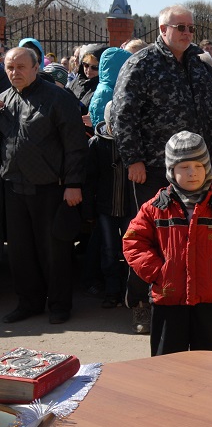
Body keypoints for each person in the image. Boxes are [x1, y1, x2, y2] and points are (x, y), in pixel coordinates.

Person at [111, 4, 212, 334]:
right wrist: (133, 159)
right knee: (151, 238)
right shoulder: (141, 64)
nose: (187, 33)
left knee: (189, 238)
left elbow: (210, 118)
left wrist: (210, 163)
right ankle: (140, 302)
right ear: (162, 29)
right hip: (153, 168)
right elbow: (122, 115)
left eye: (191, 28)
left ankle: (181, 297)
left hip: (196, 170)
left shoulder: (200, 64)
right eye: (180, 27)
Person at [123, 131, 212, 355]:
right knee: (168, 363)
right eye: (184, 167)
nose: (192, 173)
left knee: (209, 362)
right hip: (168, 299)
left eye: (198, 166)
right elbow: (134, 242)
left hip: (211, 300)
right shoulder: (155, 208)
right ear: (171, 170)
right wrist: (157, 272)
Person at [0, 47, 88, 325]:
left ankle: (59, 304)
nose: (15, 72)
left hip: (50, 188)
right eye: (10, 67)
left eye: (21, 67)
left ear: (36, 67)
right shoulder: (4, 99)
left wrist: (73, 183)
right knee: (20, 251)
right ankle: (29, 302)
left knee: (54, 251)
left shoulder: (58, 98)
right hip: (14, 187)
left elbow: (75, 144)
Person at [86, 102, 135, 309]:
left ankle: (131, 292)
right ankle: (112, 290)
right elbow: (90, 179)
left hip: (130, 208)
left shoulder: (134, 141)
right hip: (106, 207)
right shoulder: (97, 144)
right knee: (109, 249)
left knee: (132, 249)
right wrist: (89, 210)